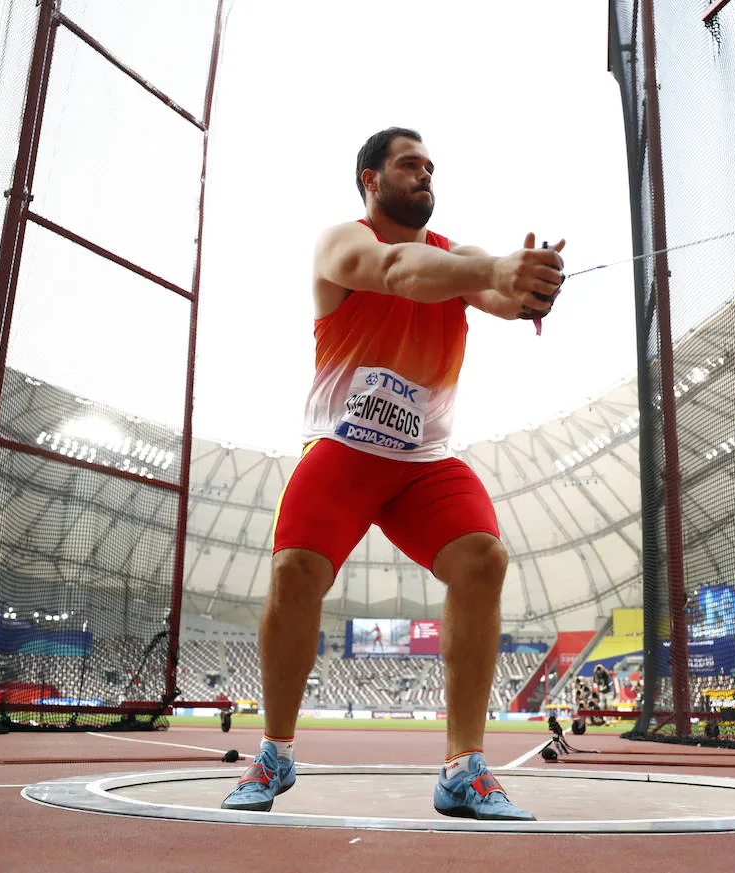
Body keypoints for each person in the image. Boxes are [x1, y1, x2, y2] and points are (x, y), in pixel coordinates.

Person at [221, 127, 564, 821]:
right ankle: (275, 752)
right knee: (293, 571)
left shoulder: (460, 257)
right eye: (410, 165)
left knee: (483, 558)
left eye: (431, 166)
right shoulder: (340, 243)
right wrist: (493, 272)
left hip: (422, 465)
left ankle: (464, 768)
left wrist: (527, 288)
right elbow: (396, 273)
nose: (425, 174)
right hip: (345, 452)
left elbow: (496, 295)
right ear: (371, 180)